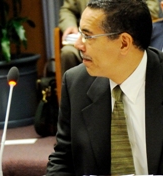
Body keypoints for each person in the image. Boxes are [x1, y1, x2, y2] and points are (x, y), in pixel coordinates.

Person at [47, 0, 163, 175]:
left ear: (124, 43)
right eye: (80, 34)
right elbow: (63, 159)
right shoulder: (76, 83)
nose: (79, 44)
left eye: (88, 36)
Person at [58, 0, 159, 77]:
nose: (77, 45)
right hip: (86, 33)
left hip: (126, 31)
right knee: (68, 53)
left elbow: (149, 11)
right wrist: (70, 25)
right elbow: (68, 9)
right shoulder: (71, 79)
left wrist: (120, 22)